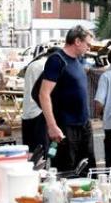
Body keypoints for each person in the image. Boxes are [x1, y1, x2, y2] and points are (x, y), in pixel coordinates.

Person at [39, 25, 96, 173]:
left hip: (83, 125)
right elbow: (43, 94)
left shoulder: (77, 61)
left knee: (88, 170)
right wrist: (52, 126)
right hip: (65, 126)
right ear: (77, 41)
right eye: (87, 44)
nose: (89, 49)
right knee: (68, 171)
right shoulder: (57, 60)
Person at [21, 47, 59, 155]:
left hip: (27, 111)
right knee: (42, 150)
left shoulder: (33, 64)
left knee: (30, 150)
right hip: (40, 110)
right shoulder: (47, 66)